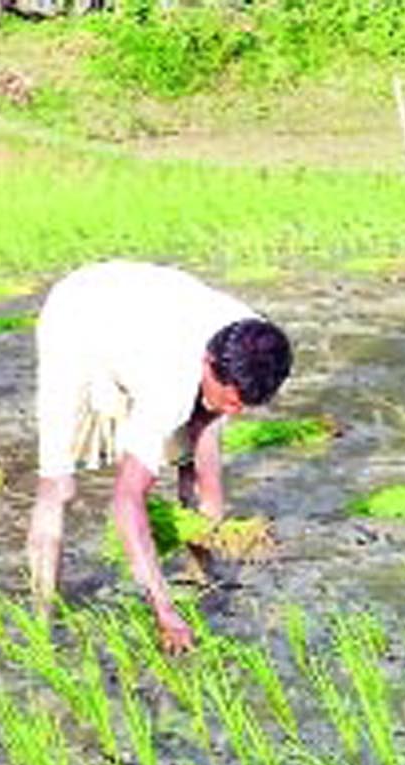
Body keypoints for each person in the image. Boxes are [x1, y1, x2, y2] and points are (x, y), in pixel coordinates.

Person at [27, 261, 292, 652]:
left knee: (197, 456)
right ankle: (41, 620)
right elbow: (127, 498)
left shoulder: (258, 345)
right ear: (208, 366)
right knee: (58, 486)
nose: (235, 413)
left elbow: (205, 431)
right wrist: (164, 611)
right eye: (232, 401)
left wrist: (212, 507)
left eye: (245, 405)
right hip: (77, 321)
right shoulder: (168, 381)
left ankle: (204, 575)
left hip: (148, 309)